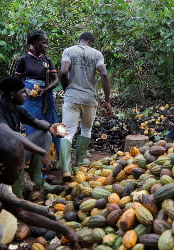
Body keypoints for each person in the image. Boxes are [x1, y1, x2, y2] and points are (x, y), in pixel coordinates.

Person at [0, 77, 64, 199]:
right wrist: (42, 151)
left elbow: (35, 122)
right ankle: (16, 196)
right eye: (22, 92)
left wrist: (51, 127)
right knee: (15, 148)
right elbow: (10, 134)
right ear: (13, 95)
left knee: (44, 135)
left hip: (6, 154)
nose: (27, 94)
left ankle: (39, 183)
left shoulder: (16, 108)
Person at [59, 31, 112, 181]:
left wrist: (66, 88)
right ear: (90, 41)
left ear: (80, 40)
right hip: (89, 98)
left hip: (72, 96)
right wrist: (107, 100)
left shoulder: (68, 51)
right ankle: (79, 162)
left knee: (67, 132)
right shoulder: (97, 54)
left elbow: (63, 71)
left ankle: (65, 169)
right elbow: (104, 75)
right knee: (86, 129)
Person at [15, 30, 61, 164]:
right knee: (33, 126)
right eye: (43, 43)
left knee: (52, 123)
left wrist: (45, 90)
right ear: (34, 43)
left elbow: (56, 80)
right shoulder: (24, 59)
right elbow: (17, 80)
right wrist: (26, 89)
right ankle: (35, 162)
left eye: (47, 43)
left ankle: (56, 157)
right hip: (30, 98)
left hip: (46, 96)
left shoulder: (47, 60)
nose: (46, 46)